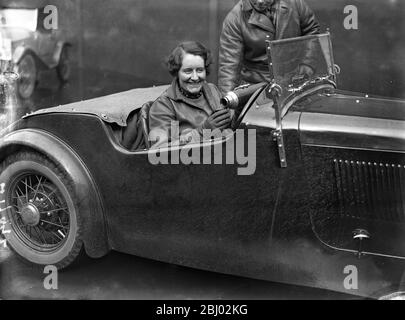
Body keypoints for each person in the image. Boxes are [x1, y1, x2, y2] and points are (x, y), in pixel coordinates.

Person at [218, 0, 320, 95]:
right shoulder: (234, 19)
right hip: (257, 89)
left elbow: (312, 31)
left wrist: (308, 64)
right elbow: (228, 67)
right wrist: (227, 105)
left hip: (297, 81)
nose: (260, 1)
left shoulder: (295, 4)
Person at [149, 41, 232, 148]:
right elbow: (160, 150)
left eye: (200, 70)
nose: (195, 77)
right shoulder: (163, 106)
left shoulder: (212, 90)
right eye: (188, 71)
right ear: (177, 72)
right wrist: (203, 131)